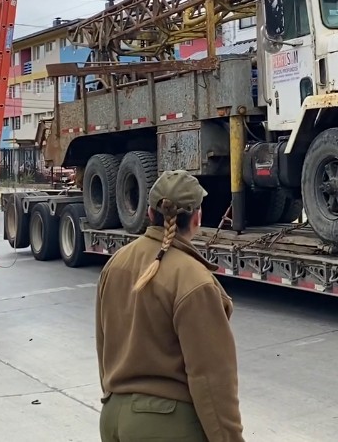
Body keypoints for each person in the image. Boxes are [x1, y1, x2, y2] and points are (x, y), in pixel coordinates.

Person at [95, 169, 244, 442]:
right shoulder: (195, 280)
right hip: (166, 426)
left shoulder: (116, 263)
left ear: (150, 214)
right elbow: (211, 379)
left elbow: (104, 345)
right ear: (197, 218)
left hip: (113, 418)